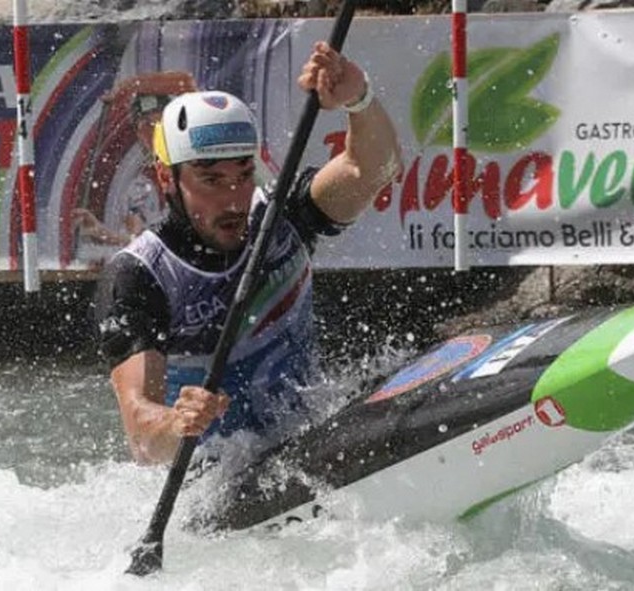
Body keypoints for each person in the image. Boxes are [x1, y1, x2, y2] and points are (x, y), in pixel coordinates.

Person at [96, 42, 402, 465]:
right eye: (212, 180)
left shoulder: (280, 214)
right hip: (218, 482)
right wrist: (177, 422)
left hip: (308, 441)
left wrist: (358, 99)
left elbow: (373, 170)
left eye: (242, 175)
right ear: (167, 177)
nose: (235, 198)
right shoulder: (139, 275)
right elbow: (142, 437)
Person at [72, 72, 198, 249]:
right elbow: (139, 242)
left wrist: (127, 86)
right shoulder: (140, 187)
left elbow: (187, 83)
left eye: (158, 123)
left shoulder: (198, 162)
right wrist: (103, 233)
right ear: (138, 134)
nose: (152, 131)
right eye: (145, 124)